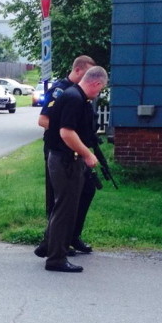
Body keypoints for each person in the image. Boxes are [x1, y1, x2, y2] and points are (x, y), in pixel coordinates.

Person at [40, 66, 108, 272]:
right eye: (101, 88)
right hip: (65, 161)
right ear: (96, 83)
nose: (99, 93)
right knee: (65, 209)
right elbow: (66, 133)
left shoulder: (76, 97)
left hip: (65, 159)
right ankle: (56, 259)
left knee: (64, 207)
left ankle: (48, 246)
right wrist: (87, 154)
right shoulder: (74, 99)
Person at [35, 55, 97, 258]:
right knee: (60, 199)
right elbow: (43, 120)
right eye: (87, 74)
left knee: (86, 190)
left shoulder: (81, 94)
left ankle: (71, 235)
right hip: (60, 150)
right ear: (78, 71)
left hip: (77, 150)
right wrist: (68, 130)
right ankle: (54, 242)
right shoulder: (61, 91)